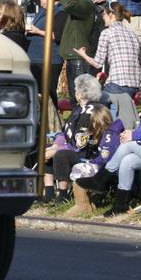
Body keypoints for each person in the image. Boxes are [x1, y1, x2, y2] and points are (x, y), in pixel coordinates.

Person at [78, 65, 141, 216]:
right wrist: (132, 133)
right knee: (128, 160)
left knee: (130, 145)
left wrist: (135, 137)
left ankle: (101, 179)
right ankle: (120, 205)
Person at [42, 74, 108, 203]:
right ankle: (49, 191)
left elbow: (80, 144)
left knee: (61, 155)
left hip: (89, 153)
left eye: (76, 89)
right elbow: (64, 132)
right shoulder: (78, 109)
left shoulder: (92, 112)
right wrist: (55, 146)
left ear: (81, 94)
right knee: (46, 149)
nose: (75, 92)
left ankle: (63, 194)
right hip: (75, 146)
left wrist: (56, 150)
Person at [30, 0, 94, 98]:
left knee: (81, 96)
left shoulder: (85, 3)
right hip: (71, 56)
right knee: (74, 96)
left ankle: (83, 117)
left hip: (78, 56)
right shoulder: (74, 4)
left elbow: (69, 6)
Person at [73, 2, 141, 100]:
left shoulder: (107, 33)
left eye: (104, 14)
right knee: (121, 114)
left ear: (111, 15)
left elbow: (98, 63)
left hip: (117, 85)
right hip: (134, 85)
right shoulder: (132, 35)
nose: (102, 17)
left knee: (100, 111)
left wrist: (83, 54)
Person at [26, 0, 65, 109]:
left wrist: (38, 31)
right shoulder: (43, 10)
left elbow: (57, 36)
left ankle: (51, 122)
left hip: (49, 59)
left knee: (48, 93)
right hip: (35, 58)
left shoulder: (60, 12)